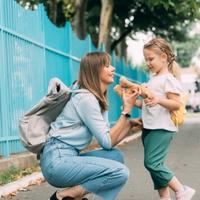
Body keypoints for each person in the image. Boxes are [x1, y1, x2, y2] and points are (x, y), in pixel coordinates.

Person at [39, 52, 141, 200]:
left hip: (67, 157)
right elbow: (106, 141)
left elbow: (108, 142)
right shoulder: (85, 98)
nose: (112, 68)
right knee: (120, 172)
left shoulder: (97, 98)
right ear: (94, 71)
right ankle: (64, 196)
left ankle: (75, 197)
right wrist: (126, 111)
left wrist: (129, 124)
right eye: (107, 66)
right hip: (57, 161)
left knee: (115, 156)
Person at [135, 37, 196, 200]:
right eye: (146, 59)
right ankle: (164, 196)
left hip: (162, 128)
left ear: (164, 57)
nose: (148, 63)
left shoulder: (169, 79)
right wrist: (133, 102)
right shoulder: (153, 79)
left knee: (152, 163)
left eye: (151, 59)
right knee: (157, 165)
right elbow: (149, 104)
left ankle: (182, 190)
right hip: (150, 127)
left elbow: (176, 104)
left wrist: (158, 99)